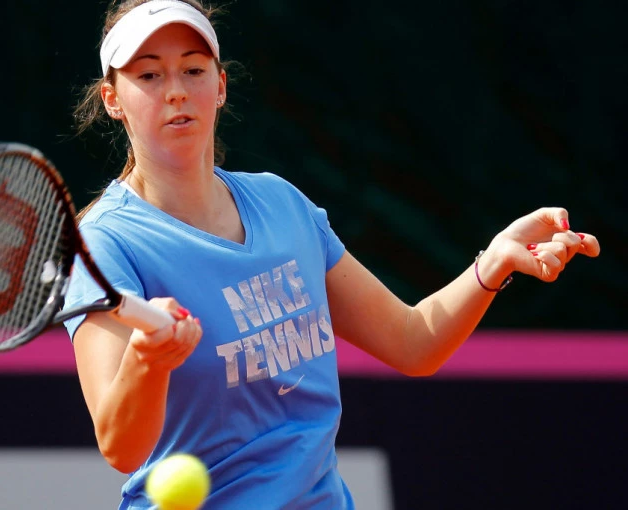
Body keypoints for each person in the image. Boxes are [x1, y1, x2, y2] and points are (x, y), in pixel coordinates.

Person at [63, 0, 601, 508]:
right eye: (149, 75)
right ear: (113, 99)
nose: (176, 91)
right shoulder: (104, 244)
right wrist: (148, 358)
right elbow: (120, 447)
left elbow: (414, 342)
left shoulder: (283, 204)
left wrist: (494, 262)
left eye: (193, 69)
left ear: (220, 86)